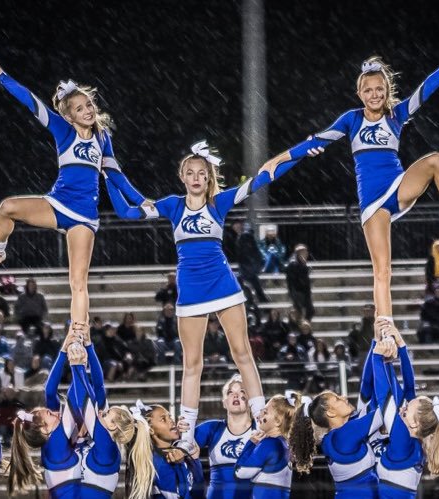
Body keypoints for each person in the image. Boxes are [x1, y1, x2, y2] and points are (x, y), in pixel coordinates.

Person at [261, 41, 439, 350]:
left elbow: (427, 89)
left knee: (435, 160)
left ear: (387, 89)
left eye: (379, 88)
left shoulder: (396, 115)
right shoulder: (351, 119)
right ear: (360, 94)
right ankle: (386, 329)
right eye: (368, 90)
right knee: (383, 269)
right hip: (373, 203)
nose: (374, 94)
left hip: (398, 186)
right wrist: (280, 159)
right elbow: (316, 140)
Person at [105, 141, 317, 438]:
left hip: (223, 284)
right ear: (183, 177)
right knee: (192, 364)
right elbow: (128, 211)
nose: (195, 177)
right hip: (191, 291)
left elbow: (264, 176)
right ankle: (187, 435)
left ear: (208, 178)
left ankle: (261, 422)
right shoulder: (172, 205)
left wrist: (300, 152)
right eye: (190, 172)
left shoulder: (219, 203)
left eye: (201, 173)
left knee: (242, 353)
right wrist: (107, 171)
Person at [0, 60, 151, 332]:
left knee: (77, 281)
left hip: (83, 216)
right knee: (7, 207)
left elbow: (116, 175)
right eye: (79, 108)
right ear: (69, 116)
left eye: (89, 105)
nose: (88, 110)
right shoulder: (63, 130)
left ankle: (79, 332)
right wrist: (1, 75)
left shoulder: (102, 138)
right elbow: (31, 101)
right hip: (56, 203)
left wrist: (141, 200)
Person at [8, 330, 155, 499]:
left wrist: (76, 356)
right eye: (50, 413)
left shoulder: (102, 444)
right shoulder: (60, 442)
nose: (101, 412)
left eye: (105, 414)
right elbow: (74, 396)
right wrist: (80, 356)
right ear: (45, 430)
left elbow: (87, 396)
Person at [289, 337, 395, 498]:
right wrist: (379, 359)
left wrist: (375, 343)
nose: (344, 397)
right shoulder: (343, 436)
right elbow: (387, 407)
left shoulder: (342, 432)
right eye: (337, 399)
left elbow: (366, 390)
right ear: (330, 413)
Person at [371, 330, 439, 499]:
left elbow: (384, 397)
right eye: (406, 407)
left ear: (415, 424)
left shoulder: (403, 441)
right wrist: (401, 347)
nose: (402, 409)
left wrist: (377, 357)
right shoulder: (412, 437)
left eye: (406, 411)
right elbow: (409, 388)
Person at [190, 376, 257, 499]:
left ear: (252, 400)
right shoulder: (213, 428)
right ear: (224, 403)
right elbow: (182, 445)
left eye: (242, 391)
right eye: (230, 392)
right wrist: (184, 428)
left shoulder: (260, 430)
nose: (236, 395)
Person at [235, 394, 300, 499]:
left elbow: (239, 472)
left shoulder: (269, 444)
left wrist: (250, 443)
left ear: (278, 421)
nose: (260, 414)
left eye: (265, 412)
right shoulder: (284, 443)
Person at [285, 245, 314, 320]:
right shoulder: (293, 263)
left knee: (309, 311)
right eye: (305, 252)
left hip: (303, 290)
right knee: (299, 311)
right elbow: (297, 278)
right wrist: (305, 269)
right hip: (297, 291)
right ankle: (299, 327)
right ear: (299, 253)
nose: (307, 254)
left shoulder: (300, 261)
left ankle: (304, 325)